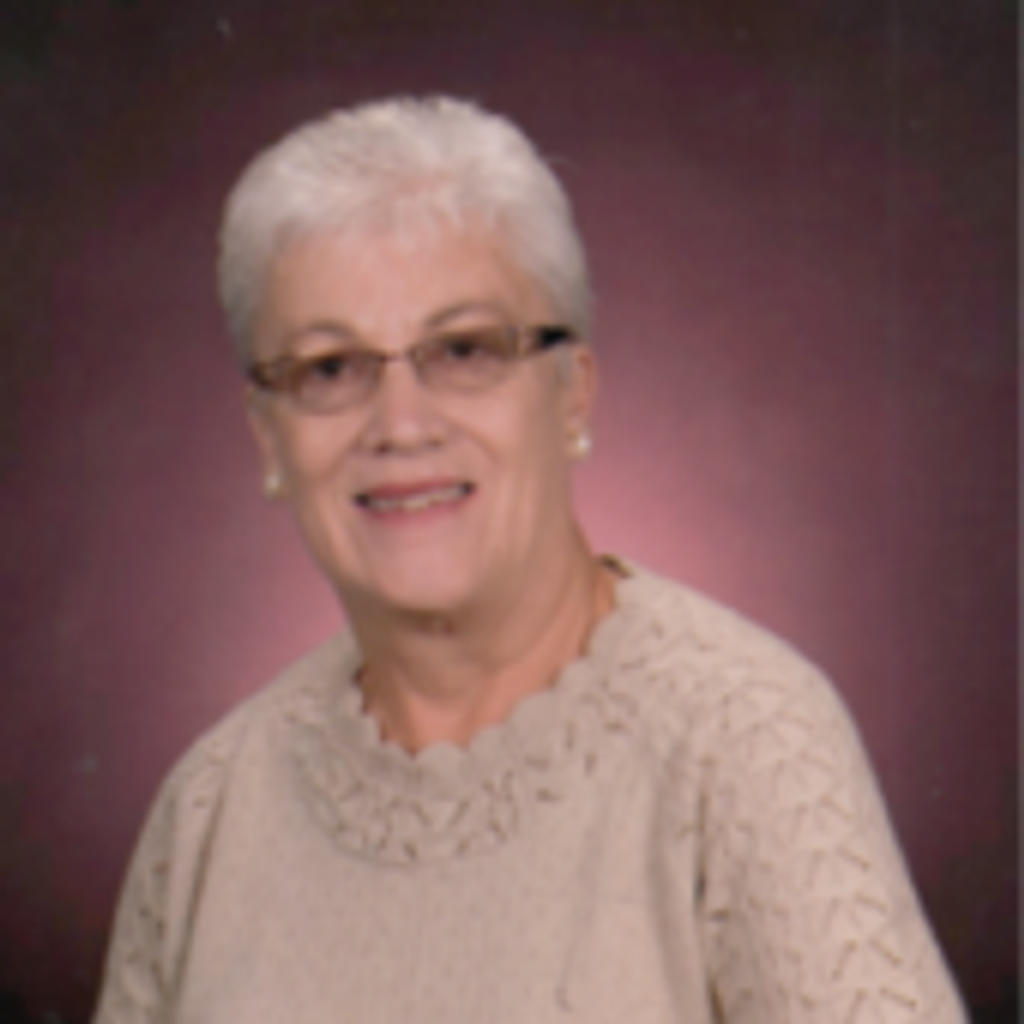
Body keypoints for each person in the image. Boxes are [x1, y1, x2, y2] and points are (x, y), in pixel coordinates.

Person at [94, 96, 965, 1024]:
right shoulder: (209, 810)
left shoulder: (747, 740)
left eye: (465, 350)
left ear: (572, 395)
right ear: (270, 438)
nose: (401, 426)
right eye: (331, 368)